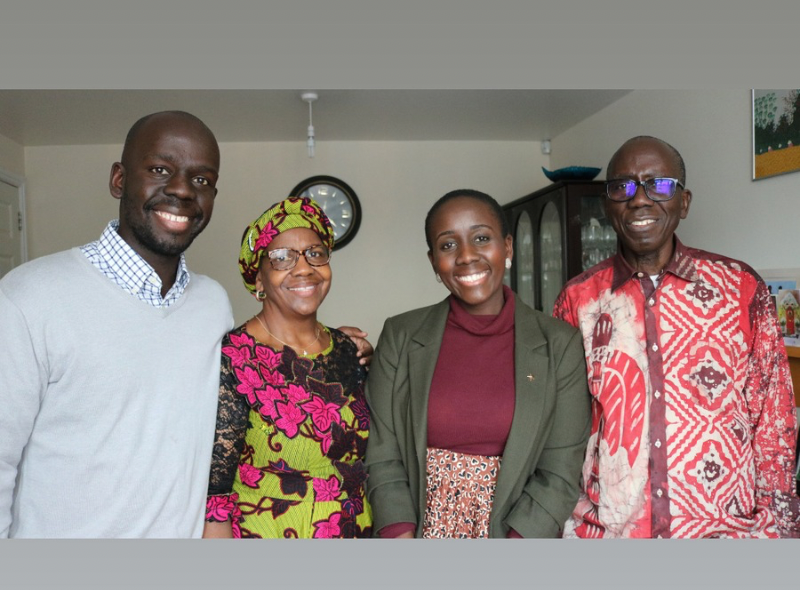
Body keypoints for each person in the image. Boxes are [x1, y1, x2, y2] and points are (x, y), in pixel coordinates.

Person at [0, 112, 372, 538]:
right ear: (119, 179)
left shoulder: (210, 304)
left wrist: (339, 348)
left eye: (201, 180)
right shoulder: (30, 297)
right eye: (160, 170)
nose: (180, 189)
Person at [553, 135, 800, 538]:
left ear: (684, 203)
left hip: (728, 534)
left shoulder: (740, 288)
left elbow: (773, 422)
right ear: (606, 205)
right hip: (608, 532)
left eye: (660, 184)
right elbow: (560, 431)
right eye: (623, 187)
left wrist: (778, 530)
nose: (639, 199)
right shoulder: (577, 301)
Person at [364, 189, 590, 538]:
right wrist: (400, 534)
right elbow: (383, 453)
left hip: (516, 534)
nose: (467, 256)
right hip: (416, 532)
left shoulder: (559, 343)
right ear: (433, 261)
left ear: (508, 247)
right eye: (448, 245)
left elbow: (560, 466)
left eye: (481, 238)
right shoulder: (401, 335)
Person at [203, 197, 372, 538]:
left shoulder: (347, 350)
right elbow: (215, 499)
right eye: (282, 258)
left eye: (316, 252)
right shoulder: (232, 358)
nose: (304, 267)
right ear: (259, 279)